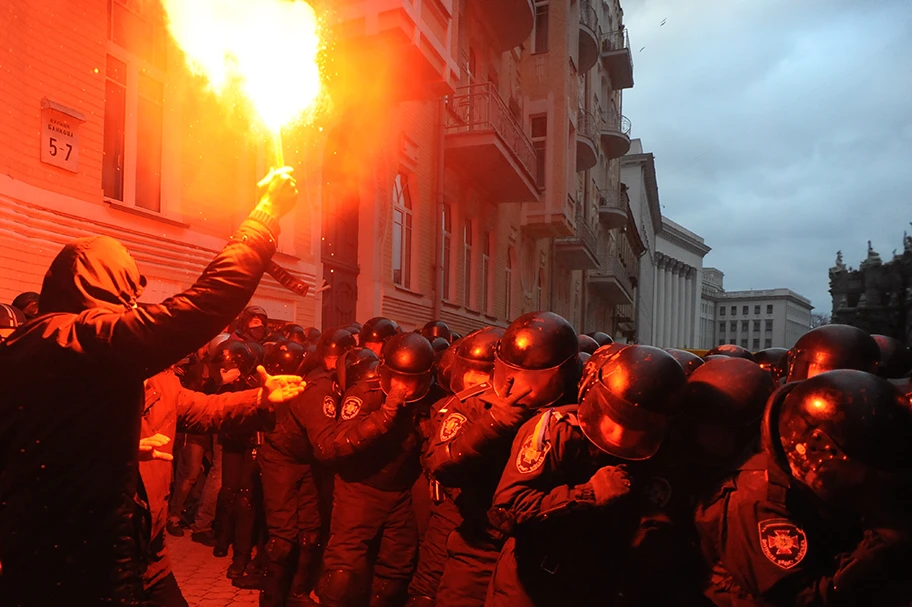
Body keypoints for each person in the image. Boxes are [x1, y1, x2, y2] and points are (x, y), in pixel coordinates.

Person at [0, 167, 299, 606]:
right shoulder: (71, 339)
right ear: (101, 283)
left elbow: (191, 407)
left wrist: (259, 398)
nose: (134, 306)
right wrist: (264, 217)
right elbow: (200, 308)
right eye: (127, 291)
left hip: (138, 555)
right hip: (80, 568)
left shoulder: (92, 352)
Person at [486, 345, 688, 607]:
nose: (620, 435)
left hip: (592, 586)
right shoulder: (558, 430)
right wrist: (587, 494)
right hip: (532, 583)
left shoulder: (653, 449)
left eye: (635, 426)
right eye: (616, 418)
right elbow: (507, 507)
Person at [696, 370, 912, 606]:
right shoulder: (758, 502)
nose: (860, 483)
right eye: (854, 474)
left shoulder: (810, 481)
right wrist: (877, 550)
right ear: (815, 450)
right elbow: (800, 598)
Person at [427, 314, 580, 607]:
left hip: (537, 552)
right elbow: (441, 464)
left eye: (532, 378)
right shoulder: (476, 402)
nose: (517, 386)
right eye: (510, 373)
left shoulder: (572, 414)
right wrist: (493, 424)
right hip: (477, 543)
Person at [138, 363, 304, 606]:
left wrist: (259, 399)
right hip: (101, 552)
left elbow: (208, 409)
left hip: (151, 558)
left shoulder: (162, 384)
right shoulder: (82, 385)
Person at [316, 332, 438, 607]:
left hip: (400, 494)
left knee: (396, 570)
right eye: (398, 378)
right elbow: (339, 445)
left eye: (412, 380)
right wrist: (382, 417)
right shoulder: (365, 393)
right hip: (359, 489)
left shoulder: (428, 398)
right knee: (343, 572)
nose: (404, 387)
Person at [258, 330, 355, 607]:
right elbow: (324, 444)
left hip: (308, 461)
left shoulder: (336, 385)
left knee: (310, 533)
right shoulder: (320, 388)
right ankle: (272, 600)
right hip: (282, 459)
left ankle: (296, 592)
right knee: (282, 540)